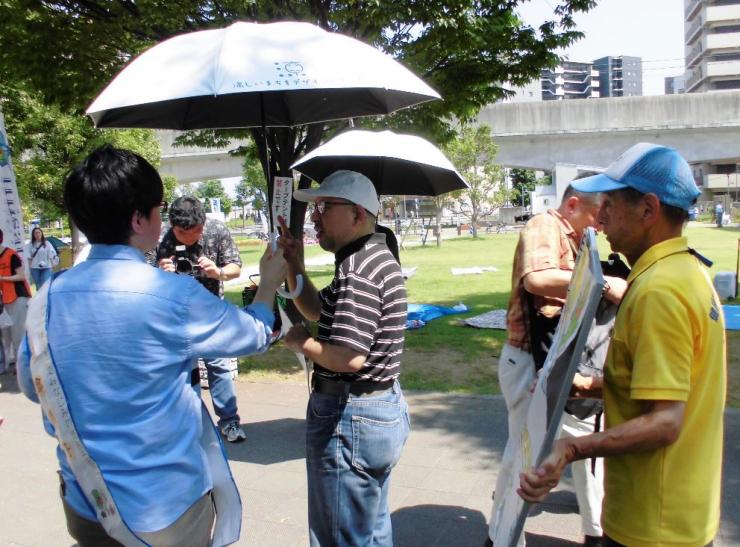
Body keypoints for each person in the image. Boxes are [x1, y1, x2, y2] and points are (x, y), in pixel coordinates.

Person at [17, 145, 286, 547]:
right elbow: (253, 334)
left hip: (85, 499)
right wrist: (268, 283)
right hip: (165, 506)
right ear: (138, 217)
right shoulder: (171, 295)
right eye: (158, 208)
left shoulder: (48, 297)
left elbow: (30, 384)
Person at [518, 143, 726, 547]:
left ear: (648, 210)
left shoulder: (658, 291)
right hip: (684, 511)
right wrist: (581, 384)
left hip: (652, 524)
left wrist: (570, 448)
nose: (600, 220)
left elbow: (665, 422)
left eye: (610, 206)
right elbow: (669, 389)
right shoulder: (688, 272)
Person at [487, 184, 627, 547]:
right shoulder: (544, 225)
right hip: (529, 360)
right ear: (574, 204)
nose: (602, 225)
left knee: (583, 441)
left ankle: (595, 532)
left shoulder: (579, 236)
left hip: (562, 358)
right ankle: (501, 537)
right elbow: (537, 280)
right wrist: (602, 283)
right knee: (524, 449)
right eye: (599, 216)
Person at [277, 170, 410, 547]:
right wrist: (293, 262)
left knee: (340, 538)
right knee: (371, 530)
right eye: (316, 207)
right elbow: (319, 310)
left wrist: (301, 342)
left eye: (324, 206)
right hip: (375, 412)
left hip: (351, 416)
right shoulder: (365, 256)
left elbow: (348, 357)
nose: (315, 216)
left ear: (357, 214)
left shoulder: (360, 269)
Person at [156, 196, 247, 443]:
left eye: (195, 231)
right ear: (172, 226)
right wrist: (158, 272)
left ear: (204, 223)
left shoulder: (216, 230)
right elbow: (140, 275)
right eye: (182, 233)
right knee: (178, 372)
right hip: (171, 317)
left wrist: (217, 272)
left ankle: (229, 422)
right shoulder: (159, 236)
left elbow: (236, 267)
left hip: (209, 314)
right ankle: (187, 427)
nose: (189, 237)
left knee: (219, 367)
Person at [0, 228, 31, 373]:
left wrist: (2, 278)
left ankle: (23, 366)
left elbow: (21, 276)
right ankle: (8, 363)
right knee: (6, 336)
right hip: (4, 300)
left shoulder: (11, 255)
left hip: (17, 296)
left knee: (18, 333)